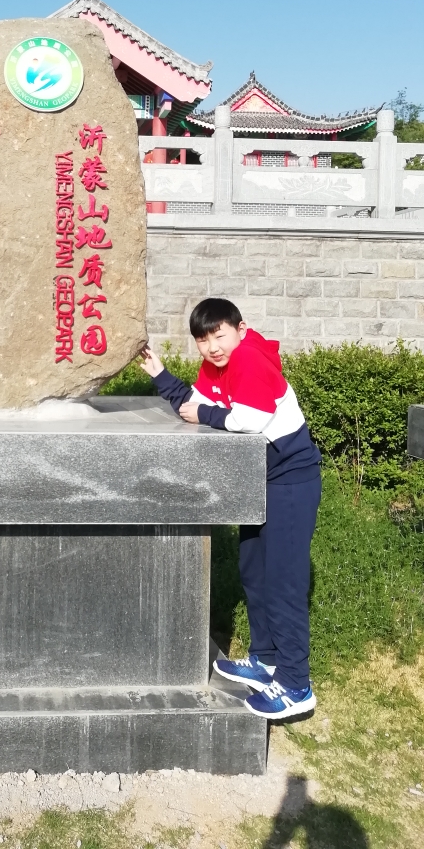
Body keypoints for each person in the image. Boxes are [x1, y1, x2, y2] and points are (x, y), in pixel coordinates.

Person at [139, 297, 321, 720]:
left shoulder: (252, 360)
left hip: (290, 481)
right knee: (254, 573)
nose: (212, 346)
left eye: (218, 334)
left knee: (284, 584)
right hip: (258, 481)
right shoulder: (215, 368)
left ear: (240, 328)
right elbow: (194, 407)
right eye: (202, 340)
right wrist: (161, 376)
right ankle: (266, 659)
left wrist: (205, 412)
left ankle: (296, 685)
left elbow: (249, 419)